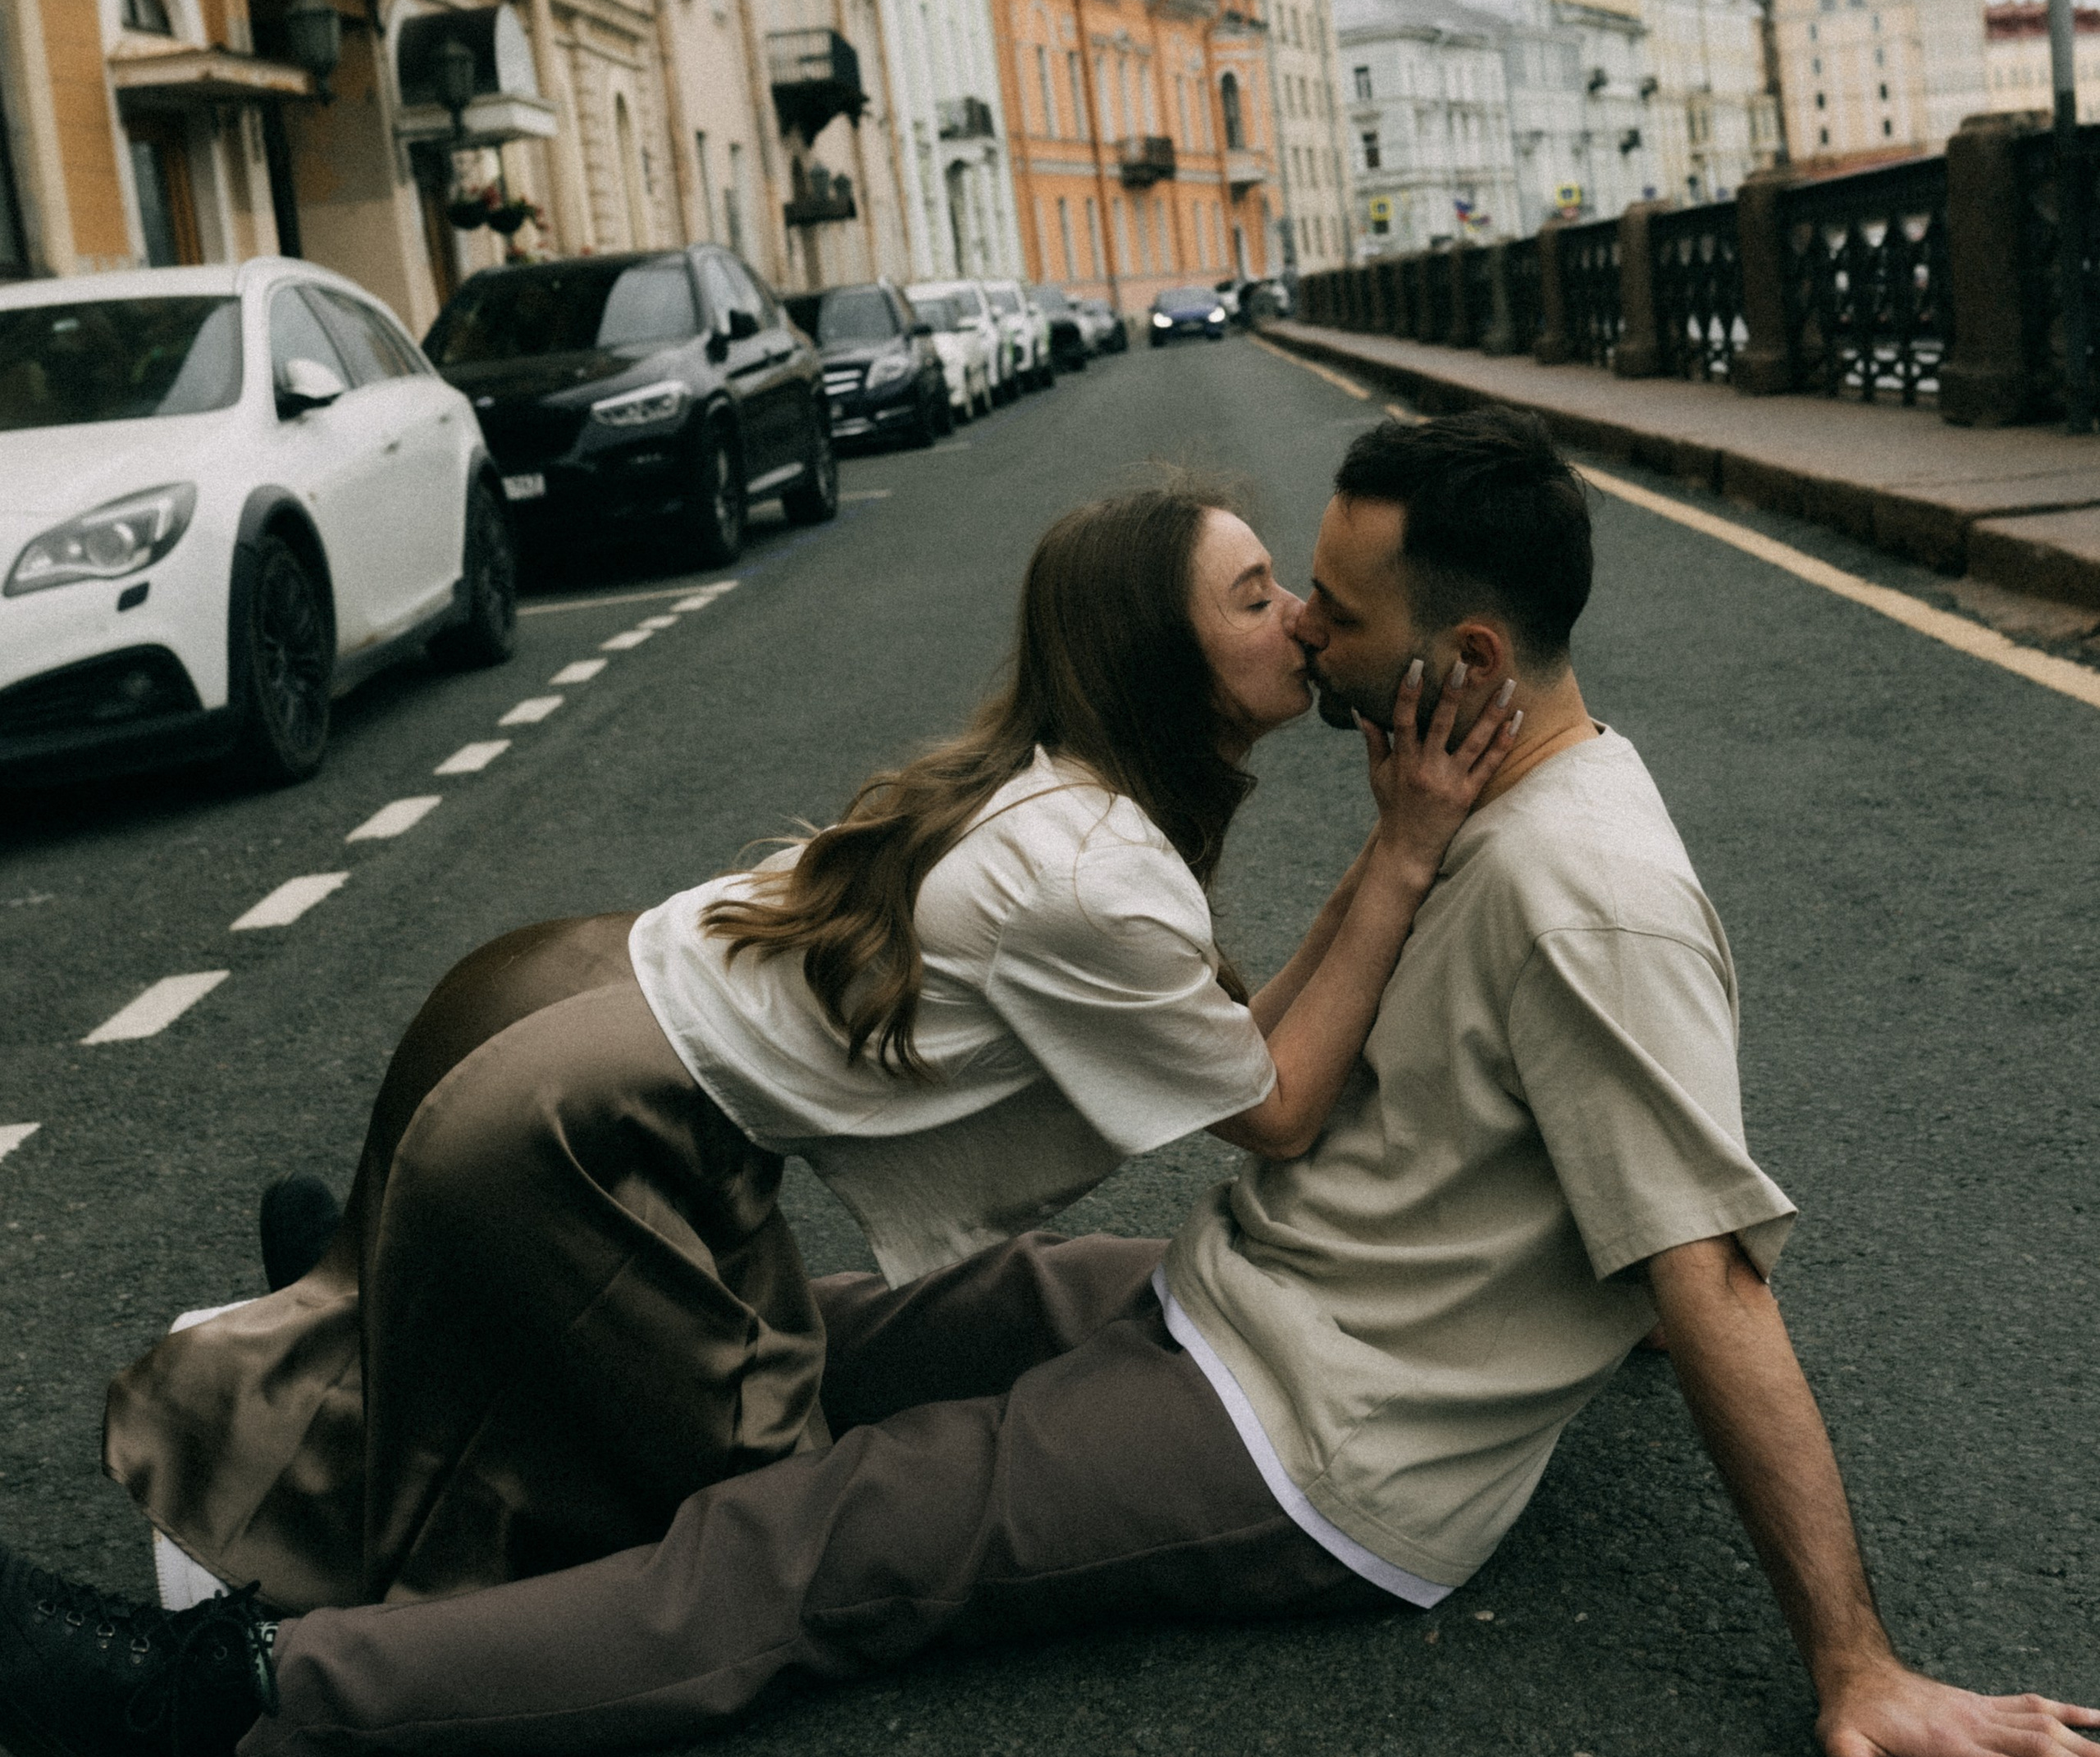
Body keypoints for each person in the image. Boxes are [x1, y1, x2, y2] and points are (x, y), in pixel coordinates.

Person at [5, 411, 2093, 1757]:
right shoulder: (1465, 786)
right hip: (1257, 1288)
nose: (1307, 637)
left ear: (1460, 654)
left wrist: (1857, 1659)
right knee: (821, 1334)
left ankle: (236, 1698)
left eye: (1331, 607)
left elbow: (1703, 1262)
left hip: (1318, 1439)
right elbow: (1498, 1132)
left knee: (816, 1533)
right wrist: (1582, 1297)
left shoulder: (1586, 892)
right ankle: (407, 1328)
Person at [89, 480, 1515, 1640]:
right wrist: (1403, 852)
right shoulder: (1092, 875)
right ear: (1160, 653)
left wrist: (1383, 849)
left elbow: (1229, 1054)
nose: (1303, 621)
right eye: (1255, 596)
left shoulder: (1058, 794)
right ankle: (236, 1543)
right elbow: (1277, 1109)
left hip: (548, 1002)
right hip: (578, 1119)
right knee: (744, 1508)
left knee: (673, 1385)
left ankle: (392, 1276)